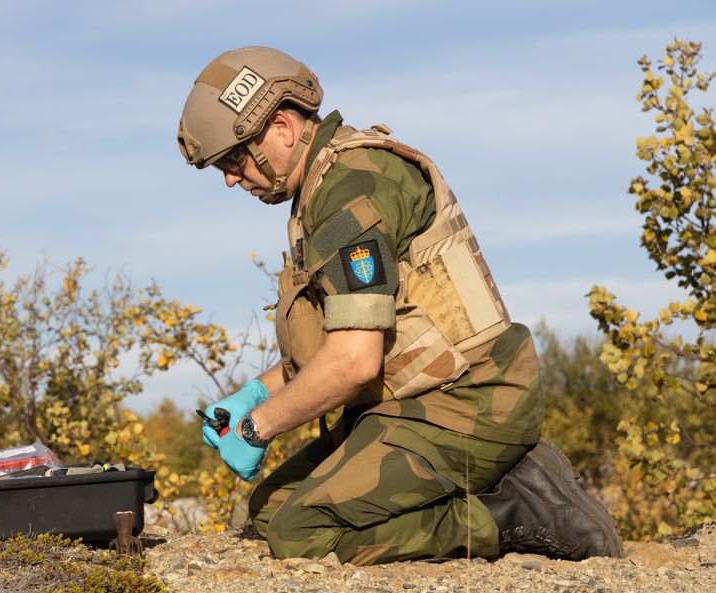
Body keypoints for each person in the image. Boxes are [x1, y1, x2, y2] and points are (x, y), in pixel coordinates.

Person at [177, 46, 622, 565]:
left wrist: (260, 426)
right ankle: (504, 479)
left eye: (234, 159)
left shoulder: (350, 192)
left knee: (300, 532)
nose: (232, 178)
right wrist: (254, 392)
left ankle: (517, 511)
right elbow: (352, 336)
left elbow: (356, 361)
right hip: (416, 400)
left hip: (469, 403)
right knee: (270, 509)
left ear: (281, 127)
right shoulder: (325, 185)